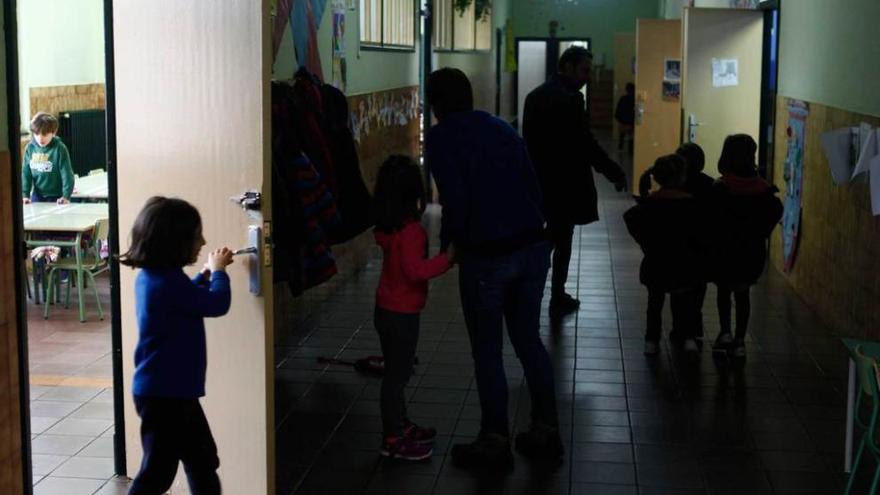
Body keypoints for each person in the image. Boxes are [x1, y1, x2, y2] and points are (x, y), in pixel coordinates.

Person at [425, 68, 562, 469]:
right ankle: (546, 430)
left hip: (488, 256)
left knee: (487, 349)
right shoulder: (501, 128)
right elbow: (532, 186)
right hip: (532, 246)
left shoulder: (442, 137)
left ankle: (494, 439)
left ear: (435, 104)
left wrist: (449, 244)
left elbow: (456, 196)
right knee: (527, 340)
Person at [120, 196, 233, 495]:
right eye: (196, 236)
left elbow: (184, 299)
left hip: (170, 392)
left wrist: (204, 275)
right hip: (165, 396)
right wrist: (219, 272)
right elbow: (217, 303)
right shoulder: (166, 283)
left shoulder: (157, 278)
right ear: (175, 242)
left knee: (201, 460)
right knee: (158, 473)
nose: (203, 241)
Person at [523, 46, 628, 317]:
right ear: (567, 67)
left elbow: (529, 143)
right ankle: (556, 294)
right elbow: (585, 145)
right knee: (561, 240)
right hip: (565, 183)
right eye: (584, 70)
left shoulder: (534, 96)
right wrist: (614, 171)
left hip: (539, 182)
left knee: (546, 238)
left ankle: (532, 290)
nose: (588, 77)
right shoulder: (570, 100)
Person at [372, 155, 453, 461]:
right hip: (402, 315)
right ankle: (392, 438)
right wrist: (449, 259)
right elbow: (415, 271)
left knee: (396, 373)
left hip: (385, 309)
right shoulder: (411, 232)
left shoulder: (388, 228)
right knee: (397, 377)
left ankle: (401, 426)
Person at [624, 154, 707, 356]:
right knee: (685, 303)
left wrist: (647, 245)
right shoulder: (692, 206)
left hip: (655, 263)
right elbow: (701, 235)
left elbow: (631, 219)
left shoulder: (648, 205)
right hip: (685, 264)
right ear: (682, 177)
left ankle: (651, 341)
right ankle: (687, 338)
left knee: (654, 304)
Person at [711, 134, 783, 358]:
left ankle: (725, 332)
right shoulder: (763, 190)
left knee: (724, 290)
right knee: (743, 294)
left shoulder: (721, 188)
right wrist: (760, 234)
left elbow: (710, 219)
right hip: (751, 252)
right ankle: (740, 341)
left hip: (724, 251)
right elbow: (774, 211)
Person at [676, 142, 714, 345]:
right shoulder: (710, 184)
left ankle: (681, 328)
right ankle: (695, 324)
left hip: (680, 246)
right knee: (699, 287)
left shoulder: (676, 184)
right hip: (703, 246)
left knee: (680, 289)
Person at [21, 112, 75, 204]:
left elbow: (67, 174)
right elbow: (26, 174)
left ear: (53, 132)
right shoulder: (30, 148)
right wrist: (25, 195)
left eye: (45, 135)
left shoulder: (60, 148)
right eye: (37, 134)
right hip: (37, 195)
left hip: (57, 196)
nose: (40, 139)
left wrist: (66, 196)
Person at [614, 82, 635, 152]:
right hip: (631, 122)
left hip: (622, 121)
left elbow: (618, 110)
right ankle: (630, 150)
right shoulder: (634, 100)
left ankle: (620, 148)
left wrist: (619, 120)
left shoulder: (623, 99)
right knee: (631, 136)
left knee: (621, 135)